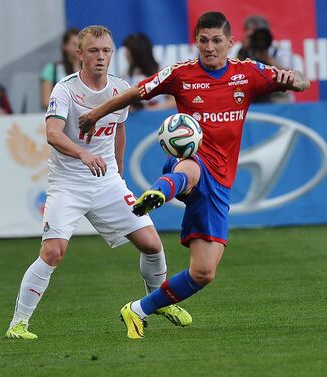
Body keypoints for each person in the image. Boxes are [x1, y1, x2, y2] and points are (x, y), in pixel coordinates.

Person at [79, 11, 309, 339]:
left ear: (231, 43)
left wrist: (295, 79)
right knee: (190, 166)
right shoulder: (181, 74)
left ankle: (137, 310)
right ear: (196, 42)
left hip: (220, 183)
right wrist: (95, 114)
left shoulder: (248, 73)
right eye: (204, 40)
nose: (210, 47)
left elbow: (300, 79)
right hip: (187, 163)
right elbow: (135, 94)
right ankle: (160, 192)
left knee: (203, 272)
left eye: (217, 41)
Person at [5, 25, 191, 340]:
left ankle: (157, 300)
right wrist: (82, 154)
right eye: (93, 51)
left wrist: (117, 172)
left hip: (107, 183)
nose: (101, 57)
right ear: (79, 54)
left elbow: (119, 128)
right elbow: (52, 133)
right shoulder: (64, 89)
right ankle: (17, 324)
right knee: (53, 252)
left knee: (152, 244)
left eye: (106, 51)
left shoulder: (120, 88)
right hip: (68, 182)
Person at [236, 15, 293, 103]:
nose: (258, 41)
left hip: (276, 96)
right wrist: (243, 52)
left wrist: (269, 60)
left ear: (267, 35)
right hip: (249, 94)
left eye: (261, 37)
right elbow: (232, 75)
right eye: (253, 36)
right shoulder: (239, 50)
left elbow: (291, 76)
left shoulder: (279, 49)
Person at [122, 33, 176, 111]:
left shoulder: (163, 72)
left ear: (137, 53)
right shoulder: (126, 76)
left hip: (160, 119)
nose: (125, 55)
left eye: (128, 51)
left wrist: (149, 109)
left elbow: (174, 101)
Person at [40, 28, 81, 110]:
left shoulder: (89, 70)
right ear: (65, 46)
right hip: (60, 119)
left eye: (80, 45)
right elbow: (45, 101)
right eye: (74, 44)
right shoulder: (51, 69)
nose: (78, 48)